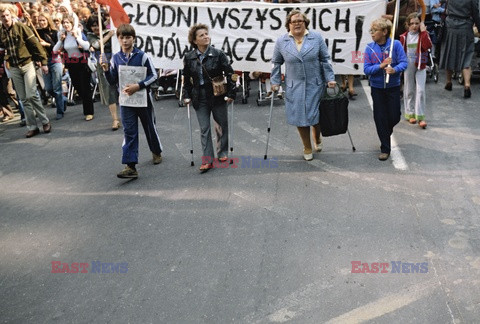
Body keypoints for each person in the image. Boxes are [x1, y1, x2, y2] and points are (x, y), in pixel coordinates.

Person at [270, 10, 336, 161]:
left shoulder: (316, 37)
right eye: (294, 21)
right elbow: (276, 62)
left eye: (300, 21)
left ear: (305, 23)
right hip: (294, 86)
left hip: (315, 83)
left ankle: (317, 137)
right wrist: (275, 82)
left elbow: (325, 59)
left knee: (315, 117)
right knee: (300, 117)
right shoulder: (282, 41)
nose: (297, 23)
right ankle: (307, 146)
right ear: (288, 25)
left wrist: (330, 78)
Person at [101, 23, 163, 179]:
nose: (125, 41)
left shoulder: (142, 56)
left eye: (128, 37)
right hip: (126, 101)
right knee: (129, 131)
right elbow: (113, 81)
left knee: (149, 126)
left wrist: (139, 85)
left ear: (134, 39)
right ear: (118, 39)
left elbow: (154, 75)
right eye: (122, 37)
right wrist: (107, 71)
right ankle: (130, 165)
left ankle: (156, 150)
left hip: (143, 99)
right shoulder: (115, 58)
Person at [182, 24, 236, 173]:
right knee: (204, 128)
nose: (206, 37)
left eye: (207, 34)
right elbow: (186, 79)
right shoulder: (189, 57)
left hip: (217, 95)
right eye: (201, 35)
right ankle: (207, 159)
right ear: (194, 40)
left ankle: (222, 152)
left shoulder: (218, 54)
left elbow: (230, 74)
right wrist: (186, 95)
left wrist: (231, 93)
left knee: (221, 125)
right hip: (200, 97)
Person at [0, 4, 51, 138]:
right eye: (2, 16)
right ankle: (32, 126)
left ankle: (45, 121)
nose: (5, 18)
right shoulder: (1, 31)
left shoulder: (21, 27)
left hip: (27, 64)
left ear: (12, 15)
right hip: (14, 67)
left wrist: (44, 62)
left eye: (7, 15)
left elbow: (35, 44)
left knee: (31, 94)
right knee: (23, 98)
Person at [364, 18, 408, 161]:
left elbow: (404, 62)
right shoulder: (369, 48)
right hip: (377, 88)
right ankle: (385, 147)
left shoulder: (395, 45)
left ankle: (385, 132)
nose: (372, 33)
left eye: (375, 30)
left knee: (394, 116)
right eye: (371, 30)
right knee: (380, 117)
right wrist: (381, 66)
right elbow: (366, 69)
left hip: (393, 87)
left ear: (384, 32)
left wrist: (394, 69)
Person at [53, 14, 94, 120]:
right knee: (77, 86)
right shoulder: (62, 34)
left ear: (72, 23)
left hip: (82, 62)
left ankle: (88, 112)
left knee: (85, 88)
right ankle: (87, 100)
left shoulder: (78, 32)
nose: (66, 25)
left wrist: (76, 37)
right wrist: (61, 40)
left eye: (68, 22)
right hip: (71, 63)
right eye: (64, 23)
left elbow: (86, 46)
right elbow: (54, 50)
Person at [440, 0, 480, 98]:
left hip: (451, 26)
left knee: (449, 53)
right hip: (465, 27)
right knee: (466, 55)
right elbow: (475, 13)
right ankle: (467, 85)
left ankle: (448, 81)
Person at [86, 16, 119, 130]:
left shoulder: (110, 31)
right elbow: (96, 45)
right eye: (93, 25)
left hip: (116, 62)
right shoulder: (90, 35)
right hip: (103, 64)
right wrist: (109, 36)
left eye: (97, 25)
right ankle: (115, 120)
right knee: (109, 91)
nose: (95, 27)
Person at [400, 13, 432, 129]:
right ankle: (410, 113)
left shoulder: (423, 35)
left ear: (421, 24)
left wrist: (423, 32)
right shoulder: (403, 37)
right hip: (408, 63)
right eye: (412, 23)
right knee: (409, 89)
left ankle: (420, 116)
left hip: (421, 63)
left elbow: (428, 45)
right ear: (407, 25)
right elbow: (400, 51)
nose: (414, 26)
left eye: (417, 23)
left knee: (421, 90)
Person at [38, 11, 66, 120]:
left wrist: (47, 44)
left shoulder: (55, 32)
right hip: (44, 61)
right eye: (40, 20)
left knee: (57, 87)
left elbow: (58, 47)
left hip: (55, 59)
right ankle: (62, 99)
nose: (41, 22)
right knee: (49, 88)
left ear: (48, 20)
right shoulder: (37, 32)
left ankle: (60, 111)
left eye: (44, 20)